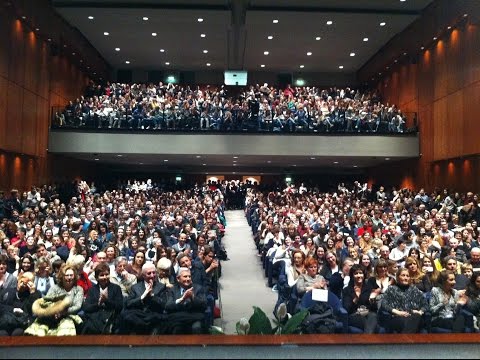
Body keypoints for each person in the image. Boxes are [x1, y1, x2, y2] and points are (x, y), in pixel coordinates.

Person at [24, 264, 84, 336]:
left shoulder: (78, 289)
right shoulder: (55, 288)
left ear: (74, 276)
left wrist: (63, 312)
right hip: (52, 315)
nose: (69, 277)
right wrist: (54, 311)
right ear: (62, 276)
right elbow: (47, 301)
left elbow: (77, 306)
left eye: (71, 275)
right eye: (67, 275)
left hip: (69, 315)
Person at [117, 262, 168, 335]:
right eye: (149, 273)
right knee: (126, 316)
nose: (152, 275)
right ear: (143, 275)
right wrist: (142, 297)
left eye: (154, 273)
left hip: (153, 314)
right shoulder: (135, 287)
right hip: (139, 314)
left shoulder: (161, 287)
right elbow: (128, 303)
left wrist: (152, 296)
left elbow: (164, 304)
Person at [380, 268, 428, 333]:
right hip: (398, 317)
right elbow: (383, 304)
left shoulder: (414, 289)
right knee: (405, 322)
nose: (405, 278)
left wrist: (420, 312)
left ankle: (404, 339)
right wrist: (398, 312)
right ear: (398, 277)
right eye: (403, 275)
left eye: (407, 276)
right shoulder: (391, 289)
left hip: (414, 316)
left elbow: (425, 304)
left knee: (417, 317)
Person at [81, 263, 123, 334]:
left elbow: (120, 306)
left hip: (111, 316)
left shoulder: (116, 288)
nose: (105, 277)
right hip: (95, 316)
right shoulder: (92, 289)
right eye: (102, 275)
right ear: (97, 277)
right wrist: (98, 304)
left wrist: (106, 301)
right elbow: (86, 308)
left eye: (107, 274)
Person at [165, 267, 208, 334]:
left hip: (194, 318)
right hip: (178, 319)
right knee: (176, 328)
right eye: (185, 276)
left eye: (189, 276)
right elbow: (168, 306)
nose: (188, 279)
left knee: (197, 327)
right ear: (178, 279)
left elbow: (204, 305)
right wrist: (181, 299)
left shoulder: (198, 288)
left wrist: (193, 298)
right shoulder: (172, 290)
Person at [342, 264, 378, 333]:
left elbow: (374, 309)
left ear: (364, 275)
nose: (359, 276)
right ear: (352, 276)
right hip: (354, 315)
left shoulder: (368, 288)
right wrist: (356, 298)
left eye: (361, 273)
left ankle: (366, 339)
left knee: (373, 316)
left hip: (367, 313)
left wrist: (372, 301)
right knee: (369, 322)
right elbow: (346, 308)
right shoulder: (347, 290)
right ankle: (368, 340)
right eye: (356, 273)